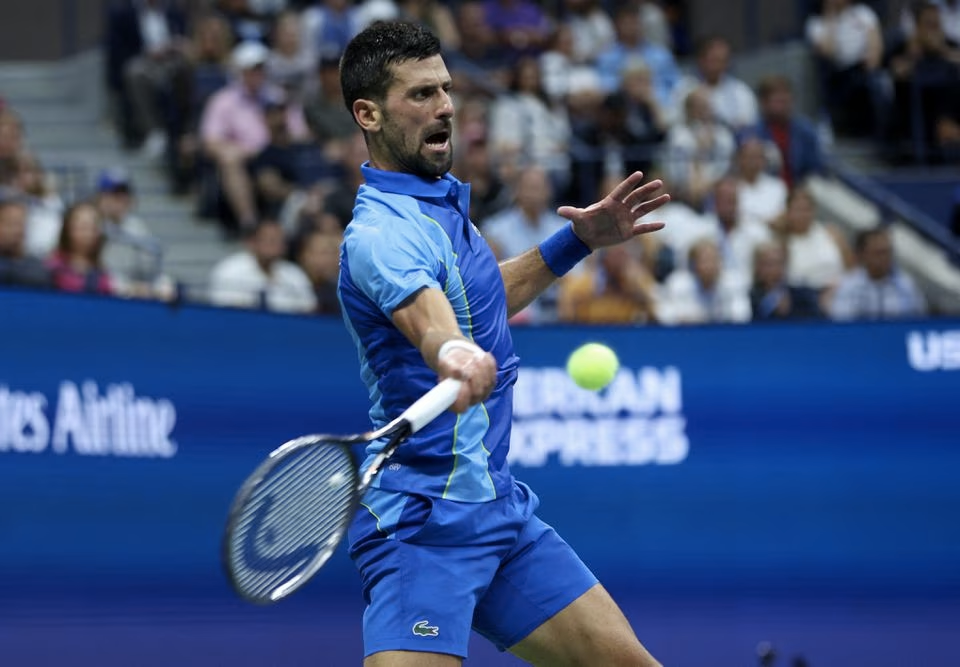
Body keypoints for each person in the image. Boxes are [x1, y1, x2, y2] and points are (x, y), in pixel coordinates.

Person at [337, 20, 669, 666]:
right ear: (367, 113)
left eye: (446, 90)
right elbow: (433, 321)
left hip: (500, 514)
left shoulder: (439, 204)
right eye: (421, 95)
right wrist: (452, 354)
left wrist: (576, 241)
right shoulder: (381, 234)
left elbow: (478, 300)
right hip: (423, 525)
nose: (445, 107)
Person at [208, 218, 317, 313]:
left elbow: (309, 309)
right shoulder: (229, 270)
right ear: (251, 242)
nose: (275, 245)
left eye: (280, 240)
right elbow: (224, 311)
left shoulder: (294, 273)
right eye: (269, 240)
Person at [828, 226, 927, 320]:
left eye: (887, 252)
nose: (884, 258)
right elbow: (842, 327)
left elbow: (918, 324)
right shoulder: (848, 287)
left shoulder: (906, 286)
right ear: (862, 255)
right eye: (878, 253)